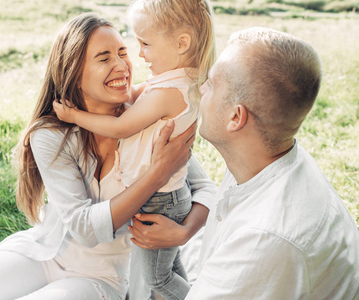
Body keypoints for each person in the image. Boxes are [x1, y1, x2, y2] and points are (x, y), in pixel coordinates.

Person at [0, 13, 216, 300]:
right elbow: (83, 226)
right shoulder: (51, 135)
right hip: (40, 253)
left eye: (123, 53)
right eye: (104, 57)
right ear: (74, 73)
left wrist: (185, 231)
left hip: (101, 277)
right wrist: (156, 176)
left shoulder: (147, 121)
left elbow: (207, 189)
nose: (122, 65)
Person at [131, 27, 359, 299]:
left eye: (212, 84)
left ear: (236, 118)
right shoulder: (265, 158)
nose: (201, 88)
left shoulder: (264, 240)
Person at [53, 1, 215, 298]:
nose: (139, 54)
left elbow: (121, 127)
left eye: (145, 44)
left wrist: (74, 116)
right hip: (165, 199)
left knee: (158, 280)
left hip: (160, 203)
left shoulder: (169, 92)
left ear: (181, 44)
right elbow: (137, 95)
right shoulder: (175, 80)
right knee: (171, 267)